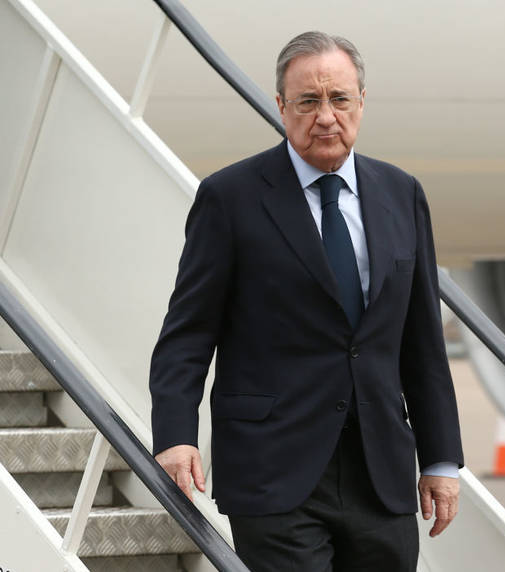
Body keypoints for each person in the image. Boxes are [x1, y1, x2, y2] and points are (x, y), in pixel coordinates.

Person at [149, 30, 464, 571]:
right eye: (308, 101)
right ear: (281, 106)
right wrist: (176, 436)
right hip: (273, 470)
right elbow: (189, 332)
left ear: (361, 102)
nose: (325, 117)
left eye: (339, 99)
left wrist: (440, 459)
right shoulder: (230, 197)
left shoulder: (401, 193)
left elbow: (422, 341)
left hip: (380, 473)